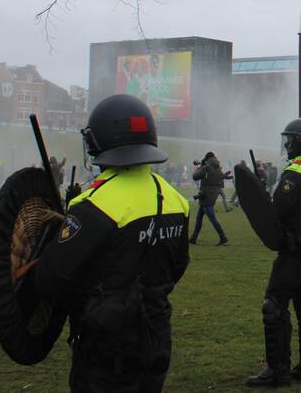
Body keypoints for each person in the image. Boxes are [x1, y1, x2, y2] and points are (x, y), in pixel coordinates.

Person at [28, 94, 190, 392]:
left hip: (105, 346)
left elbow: (51, 278)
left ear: (96, 142)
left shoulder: (92, 205)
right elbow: (178, 266)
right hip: (157, 336)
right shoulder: (176, 200)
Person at [248, 118, 301, 387]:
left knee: (274, 305)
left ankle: (278, 370)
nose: (286, 144)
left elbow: (279, 208)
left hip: (294, 250)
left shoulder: (296, 171)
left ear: (298, 142)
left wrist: (262, 192)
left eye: (289, 139)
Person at [190, 155, 229, 245]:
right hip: (210, 196)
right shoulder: (218, 168)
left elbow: (195, 177)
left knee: (212, 218)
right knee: (199, 218)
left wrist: (199, 168)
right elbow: (220, 178)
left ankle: (223, 237)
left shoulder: (206, 168)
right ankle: (193, 238)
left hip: (206, 197)